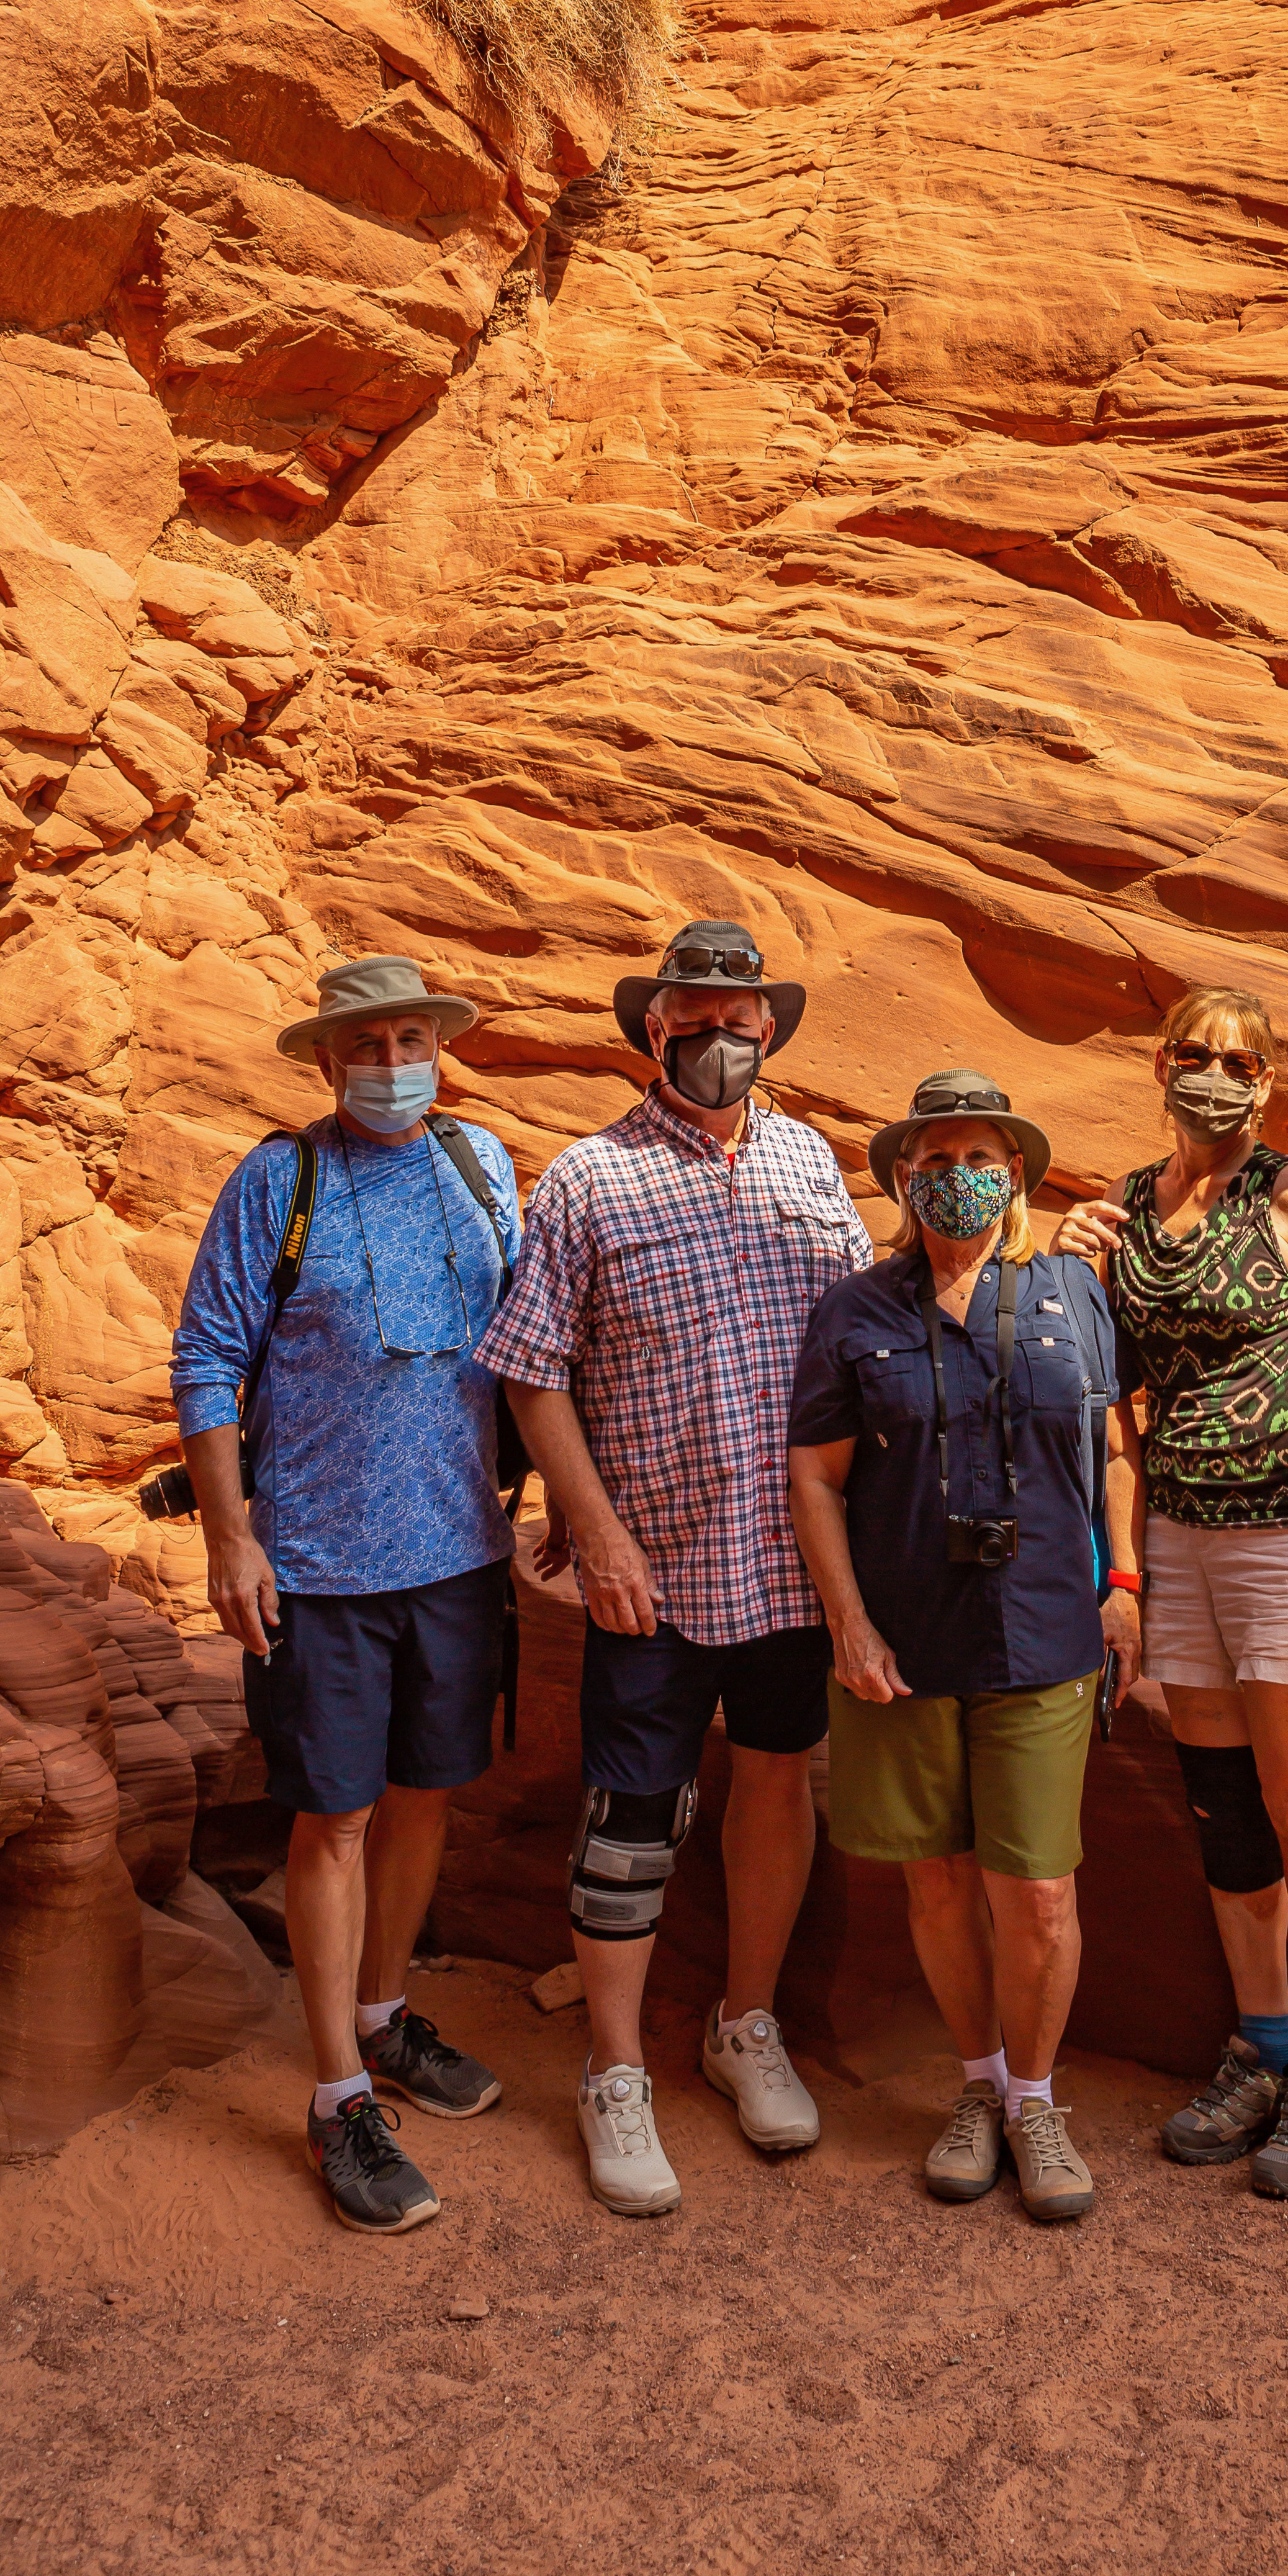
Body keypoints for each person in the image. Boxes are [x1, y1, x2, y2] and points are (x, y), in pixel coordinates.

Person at [479, 917, 870, 2217]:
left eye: (740, 1013)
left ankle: (743, 2025)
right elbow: (535, 1372)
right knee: (631, 1814)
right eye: (692, 1014)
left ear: (771, 1025)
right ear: (654, 1027)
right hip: (652, 1565)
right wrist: (592, 1531)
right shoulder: (588, 1179)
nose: (718, 1034)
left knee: (775, 1786)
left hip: (790, 1562)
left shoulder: (813, 1163)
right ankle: (614, 2071)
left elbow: (871, 1342)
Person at [171, 955, 523, 2236]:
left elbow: (530, 1344)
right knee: (335, 1818)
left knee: (426, 1793)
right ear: (326, 1062)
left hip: (460, 1554)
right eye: (364, 1047)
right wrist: (230, 1540)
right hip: (318, 1564)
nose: (390, 1066)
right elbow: (208, 1353)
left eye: (410, 1040)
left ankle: (380, 2019)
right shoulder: (282, 1181)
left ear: (441, 1044)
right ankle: (333, 2099)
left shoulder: (484, 1170)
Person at [788, 1070, 1125, 2227]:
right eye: (930, 1162)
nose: (956, 1178)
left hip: (1043, 1628)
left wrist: (1122, 1584)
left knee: (1035, 1890)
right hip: (903, 1635)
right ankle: (976, 2088)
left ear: (1018, 1173)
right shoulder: (858, 1310)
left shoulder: (1071, 1290)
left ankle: (1036, 2101)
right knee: (934, 1879)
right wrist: (848, 1619)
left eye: (980, 1157)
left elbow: (1113, 1449)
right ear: (897, 1179)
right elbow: (818, 1480)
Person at [1055, 985, 1288, 2203]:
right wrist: (1122, 1570)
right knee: (1225, 1808)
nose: (1218, 1076)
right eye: (1199, 1055)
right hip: (1182, 1537)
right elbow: (1117, 1409)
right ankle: (1264, 2040)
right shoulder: (1128, 1209)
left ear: (1269, 1082)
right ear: (1161, 1062)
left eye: (1243, 1062)